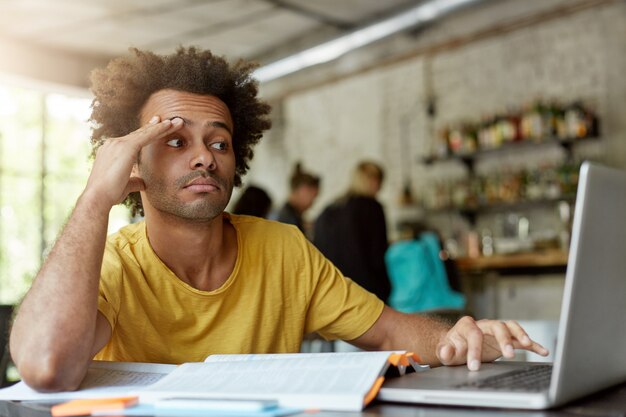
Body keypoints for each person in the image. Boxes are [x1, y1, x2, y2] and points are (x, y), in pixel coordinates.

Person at [9, 47, 547, 392]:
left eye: (218, 141)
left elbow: (387, 330)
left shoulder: (283, 249)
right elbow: (46, 365)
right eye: (174, 140)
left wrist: (461, 336)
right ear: (133, 161)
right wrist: (93, 199)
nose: (204, 156)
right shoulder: (110, 266)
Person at [314, 161, 391, 302]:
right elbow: (378, 254)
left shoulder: (331, 207)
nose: (380, 185)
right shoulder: (372, 208)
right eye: (377, 179)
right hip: (367, 290)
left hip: (334, 290)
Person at [274, 162, 320, 235]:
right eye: (313, 197)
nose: (312, 204)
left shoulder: (289, 215)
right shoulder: (289, 221)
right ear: (303, 190)